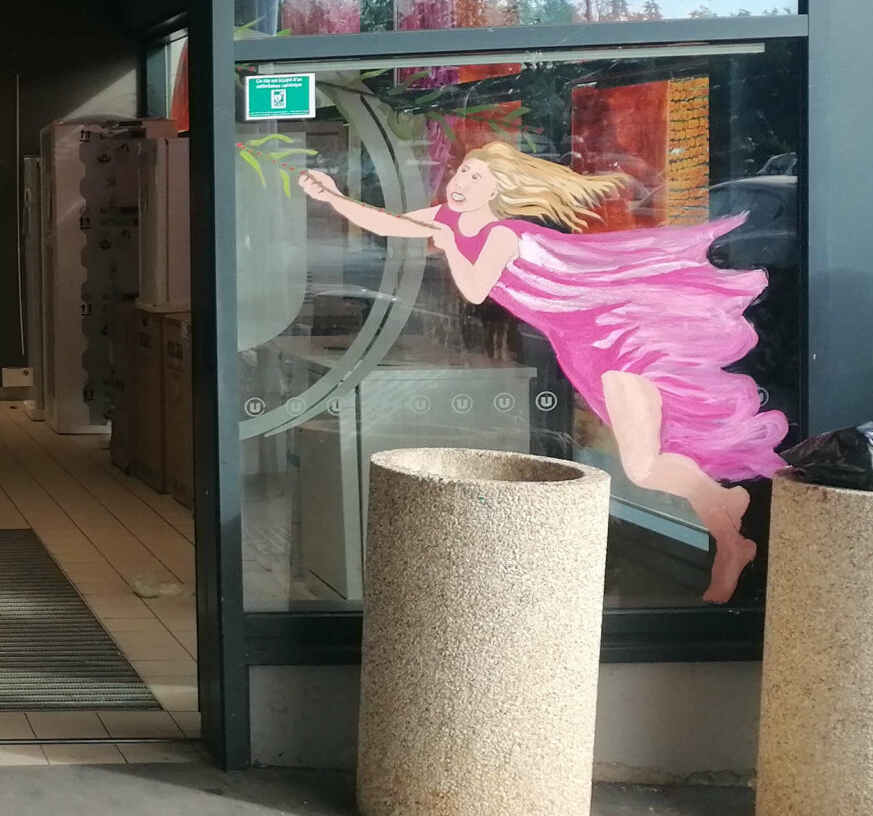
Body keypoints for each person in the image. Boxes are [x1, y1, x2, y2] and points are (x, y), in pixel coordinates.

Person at [299, 141, 787, 603]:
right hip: (585, 347)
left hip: (618, 337)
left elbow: (474, 290)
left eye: (477, 176)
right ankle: (729, 524)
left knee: (642, 467)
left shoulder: (502, 234)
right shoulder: (450, 219)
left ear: (498, 190)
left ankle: (728, 528)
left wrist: (448, 243)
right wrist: (333, 197)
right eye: (462, 171)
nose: (461, 181)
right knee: (647, 463)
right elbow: (389, 223)